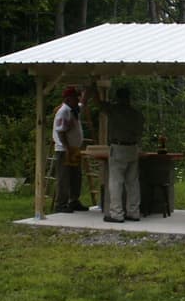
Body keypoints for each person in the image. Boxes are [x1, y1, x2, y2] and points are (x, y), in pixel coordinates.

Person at [96, 87, 144, 222]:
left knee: (116, 182)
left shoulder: (114, 110)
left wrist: (94, 89)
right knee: (133, 182)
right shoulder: (136, 114)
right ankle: (134, 212)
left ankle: (116, 213)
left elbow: (99, 104)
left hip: (118, 147)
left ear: (118, 98)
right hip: (133, 147)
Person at [52, 85, 88, 213]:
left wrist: (87, 90)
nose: (77, 99)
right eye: (75, 97)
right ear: (68, 98)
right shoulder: (64, 112)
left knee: (76, 176)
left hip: (74, 148)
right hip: (64, 149)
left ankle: (74, 200)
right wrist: (67, 148)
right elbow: (61, 132)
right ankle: (61, 204)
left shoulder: (74, 110)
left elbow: (83, 103)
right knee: (64, 177)